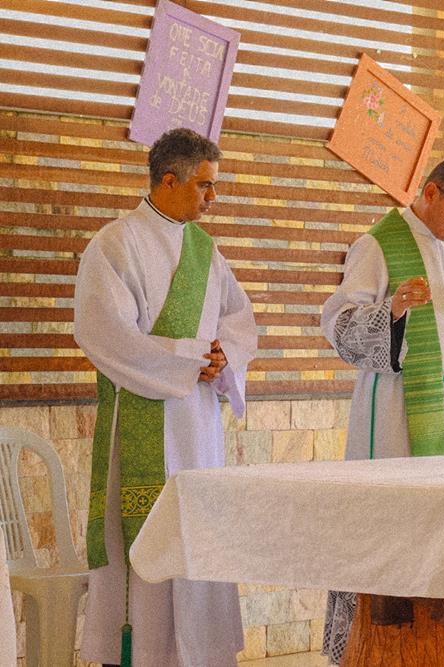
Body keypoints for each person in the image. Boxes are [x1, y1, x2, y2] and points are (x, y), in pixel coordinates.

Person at [74, 128, 257, 667]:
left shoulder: (206, 251)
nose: (213, 196)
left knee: (197, 543)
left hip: (196, 428)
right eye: (204, 185)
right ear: (169, 181)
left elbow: (239, 321)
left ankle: (196, 655)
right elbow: (103, 332)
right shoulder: (115, 244)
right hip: (142, 418)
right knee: (144, 562)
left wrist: (222, 357)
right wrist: (191, 358)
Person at [318, 155, 444, 663]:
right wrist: (393, 310)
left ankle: (435, 641)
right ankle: (376, 642)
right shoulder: (378, 244)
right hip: (395, 409)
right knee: (388, 526)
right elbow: (338, 322)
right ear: (431, 192)